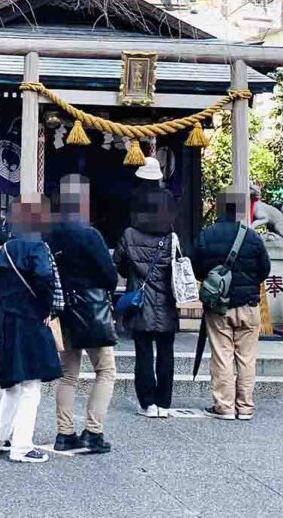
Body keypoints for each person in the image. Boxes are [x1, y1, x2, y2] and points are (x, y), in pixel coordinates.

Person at [0, 198, 63, 464]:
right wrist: (45, 308)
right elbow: (45, 278)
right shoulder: (37, 246)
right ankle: (22, 447)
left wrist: (4, 300)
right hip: (30, 321)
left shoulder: (6, 248)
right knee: (30, 386)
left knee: (12, 384)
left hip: (5, 321)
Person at [45, 175, 117, 454]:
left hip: (63, 310)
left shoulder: (50, 235)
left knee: (68, 374)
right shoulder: (90, 235)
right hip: (92, 309)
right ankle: (93, 431)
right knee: (105, 370)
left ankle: (64, 433)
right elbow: (109, 275)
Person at [193, 191, 271, 421]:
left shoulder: (207, 235)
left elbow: (196, 267)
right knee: (247, 358)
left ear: (219, 208)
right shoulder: (253, 237)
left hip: (219, 307)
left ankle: (224, 407)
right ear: (240, 210)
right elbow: (264, 270)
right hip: (249, 306)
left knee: (222, 356)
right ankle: (245, 407)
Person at [115, 157, 180, 419]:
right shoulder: (171, 237)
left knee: (143, 353)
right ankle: (164, 404)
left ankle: (147, 403)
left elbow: (119, 264)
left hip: (140, 301)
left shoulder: (130, 234)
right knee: (166, 353)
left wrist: (134, 275)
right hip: (166, 301)